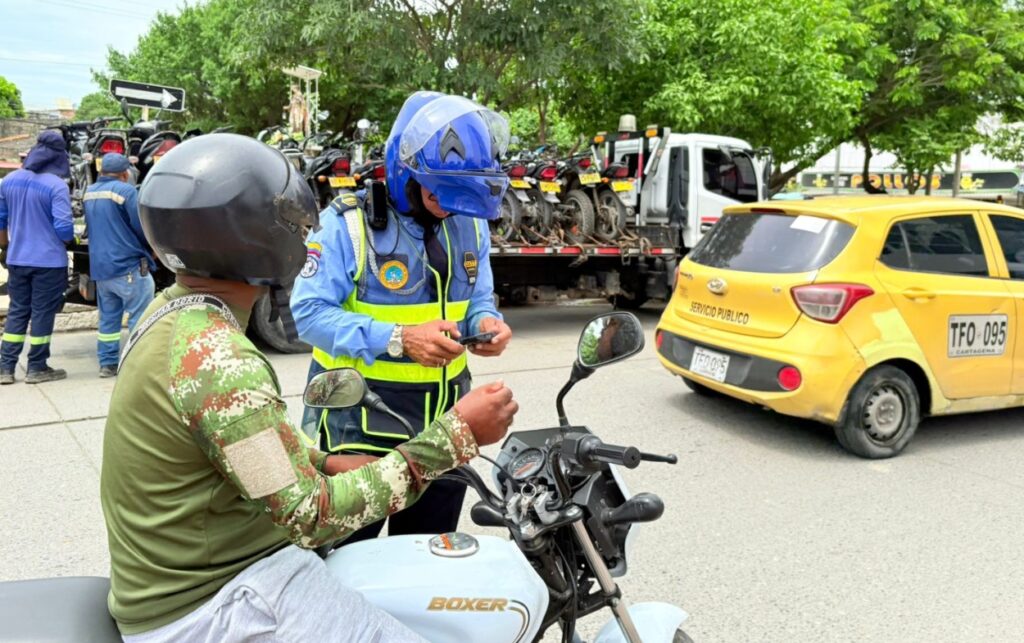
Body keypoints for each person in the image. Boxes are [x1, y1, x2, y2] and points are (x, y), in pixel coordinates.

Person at [100, 133, 518, 641]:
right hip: (216, 598)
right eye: (291, 225)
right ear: (254, 239)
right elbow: (312, 516)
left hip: (211, 566)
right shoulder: (220, 360)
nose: (302, 236)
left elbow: (240, 446)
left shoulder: (171, 315)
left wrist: (322, 462)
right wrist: (457, 436)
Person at [291, 91, 513, 543]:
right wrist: (399, 337)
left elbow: (478, 299)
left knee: (427, 561)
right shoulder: (347, 225)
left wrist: (485, 325)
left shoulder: (469, 222)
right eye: (438, 191)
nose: (449, 204)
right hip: (360, 430)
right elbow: (308, 314)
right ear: (404, 171)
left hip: (447, 427)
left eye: (459, 193)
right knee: (349, 567)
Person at [0, 130, 73, 385]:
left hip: (17, 259)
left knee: (18, 311)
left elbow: (1, 220)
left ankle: (5, 368)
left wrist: (5, 247)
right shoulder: (56, 186)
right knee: (42, 313)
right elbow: (64, 228)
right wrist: (68, 240)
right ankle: (37, 367)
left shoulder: (8, 181)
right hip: (48, 262)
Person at [83, 153, 156, 378]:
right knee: (140, 317)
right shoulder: (126, 191)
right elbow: (141, 226)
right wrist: (153, 247)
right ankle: (138, 366)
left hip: (101, 268)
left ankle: (107, 364)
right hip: (128, 266)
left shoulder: (89, 193)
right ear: (125, 173)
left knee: (108, 319)